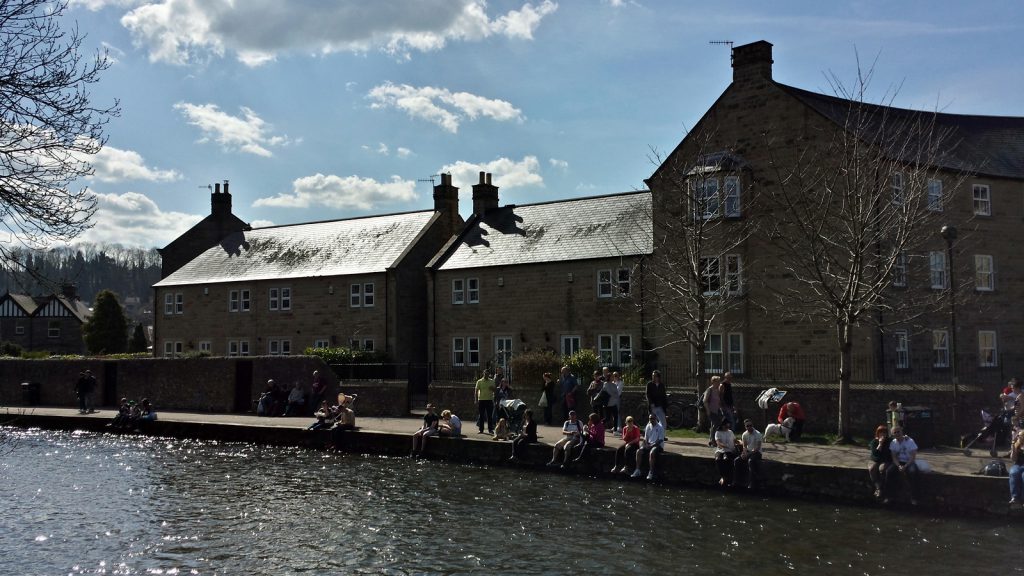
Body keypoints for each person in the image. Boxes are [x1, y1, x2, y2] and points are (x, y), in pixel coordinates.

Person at [886, 425, 919, 505]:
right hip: (899, 462)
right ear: (892, 434)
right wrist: (899, 466)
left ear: (902, 431)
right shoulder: (893, 443)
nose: (897, 433)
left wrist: (905, 466)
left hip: (909, 462)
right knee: (889, 472)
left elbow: (913, 457)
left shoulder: (910, 441)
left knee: (913, 472)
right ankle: (889, 496)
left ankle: (914, 497)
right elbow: (894, 457)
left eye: (898, 431)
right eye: (895, 432)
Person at [632, 412, 665, 481]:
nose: (651, 420)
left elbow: (660, 440)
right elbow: (645, 438)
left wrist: (651, 446)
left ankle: (651, 472)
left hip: (658, 445)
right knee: (639, 451)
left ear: (656, 418)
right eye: (650, 418)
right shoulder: (648, 426)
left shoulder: (660, 427)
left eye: (652, 418)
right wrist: (646, 444)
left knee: (652, 453)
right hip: (649, 444)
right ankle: (637, 470)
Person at [733, 419, 763, 490]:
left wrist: (748, 454)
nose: (749, 427)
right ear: (745, 427)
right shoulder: (744, 434)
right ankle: (736, 480)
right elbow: (744, 446)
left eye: (750, 425)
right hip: (748, 452)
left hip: (757, 452)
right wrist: (744, 453)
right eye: (747, 426)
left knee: (750, 461)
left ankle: (752, 482)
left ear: (752, 425)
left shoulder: (758, 434)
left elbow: (758, 447)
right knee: (736, 460)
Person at [868, 424, 892, 500]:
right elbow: (875, 453)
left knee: (882, 469)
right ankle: (878, 487)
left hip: (885, 460)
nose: (882, 434)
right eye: (881, 432)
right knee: (872, 469)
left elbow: (888, 453)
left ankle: (883, 487)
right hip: (875, 459)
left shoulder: (890, 441)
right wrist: (880, 444)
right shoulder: (874, 442)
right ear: (877, 433)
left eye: (884, 432)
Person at [713, 419, 738, 487]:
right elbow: (718, 443)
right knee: (718, 459)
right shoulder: (718, 433)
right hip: (720, 450)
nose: (727, 428)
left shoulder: (730, 432)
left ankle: (729, 477)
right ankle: (722, 476)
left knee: (726, 459)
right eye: (726, 427)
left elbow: (735, 440)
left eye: (728, 427)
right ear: (722, 426)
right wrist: (726, 446)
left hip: (729, 451)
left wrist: (740, 442)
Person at [703, 376, 723, 446]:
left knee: (715, 424)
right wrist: (708, 410)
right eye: (717, 381)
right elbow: (705, 401)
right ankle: (712, 440)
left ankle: (712, 440)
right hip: (711, 410)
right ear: (713, 382)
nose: (719, 383)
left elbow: (718, 400)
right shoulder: (709, 390)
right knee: (716, 424)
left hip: (717, 410)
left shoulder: (718, 389)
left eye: (719, 381)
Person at [475, 370, 496, 434]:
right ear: (483, 374)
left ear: (489, 374)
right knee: (481, 415)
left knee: (490, 416)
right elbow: (476, 391)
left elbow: (495, 391)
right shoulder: (479, 381)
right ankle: (481, 429)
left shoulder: (492, 381)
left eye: (487, 374)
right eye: (485, 374)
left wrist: (493, 388)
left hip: (489, 400)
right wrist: (476, 400)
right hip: (481, 400)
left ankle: (490, 429)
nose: (486, 375)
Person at [602, 369, 621, 435]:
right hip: (608, 404)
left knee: (615, 416)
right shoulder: (605, 384)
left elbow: (617, 393)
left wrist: (614, 395)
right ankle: (600, 425)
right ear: (609, 377)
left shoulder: (614, 384)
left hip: (614, 403)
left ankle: (615, 430)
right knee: (607, 418)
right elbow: (609, 392)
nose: (613, 377)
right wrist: (613, 394)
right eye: (612, 376)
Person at [1009, 430, 1024, 506]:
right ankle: (1014, 497)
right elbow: (1013, 459)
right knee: (1013, 473)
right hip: (1018, 464)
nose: (1018, 437)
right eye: (1018, 435)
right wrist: (1013, 449)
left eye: (1020, 435)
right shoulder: (1017, 445)